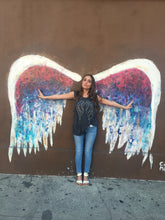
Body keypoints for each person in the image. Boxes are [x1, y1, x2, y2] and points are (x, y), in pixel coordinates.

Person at [38, 74, 133, 186]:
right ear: (82, 82)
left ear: (91, 84)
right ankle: (79, 174)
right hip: (77, 127)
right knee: (79, 151)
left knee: (88, 151)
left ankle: (86, 175)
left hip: (91, 128)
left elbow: (110, 103)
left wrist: (124, 107)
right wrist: (45, 97)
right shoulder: (76, 94)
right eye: (85, 80)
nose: (86, 82)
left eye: (89, 81)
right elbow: (60, 96)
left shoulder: (94, 97)